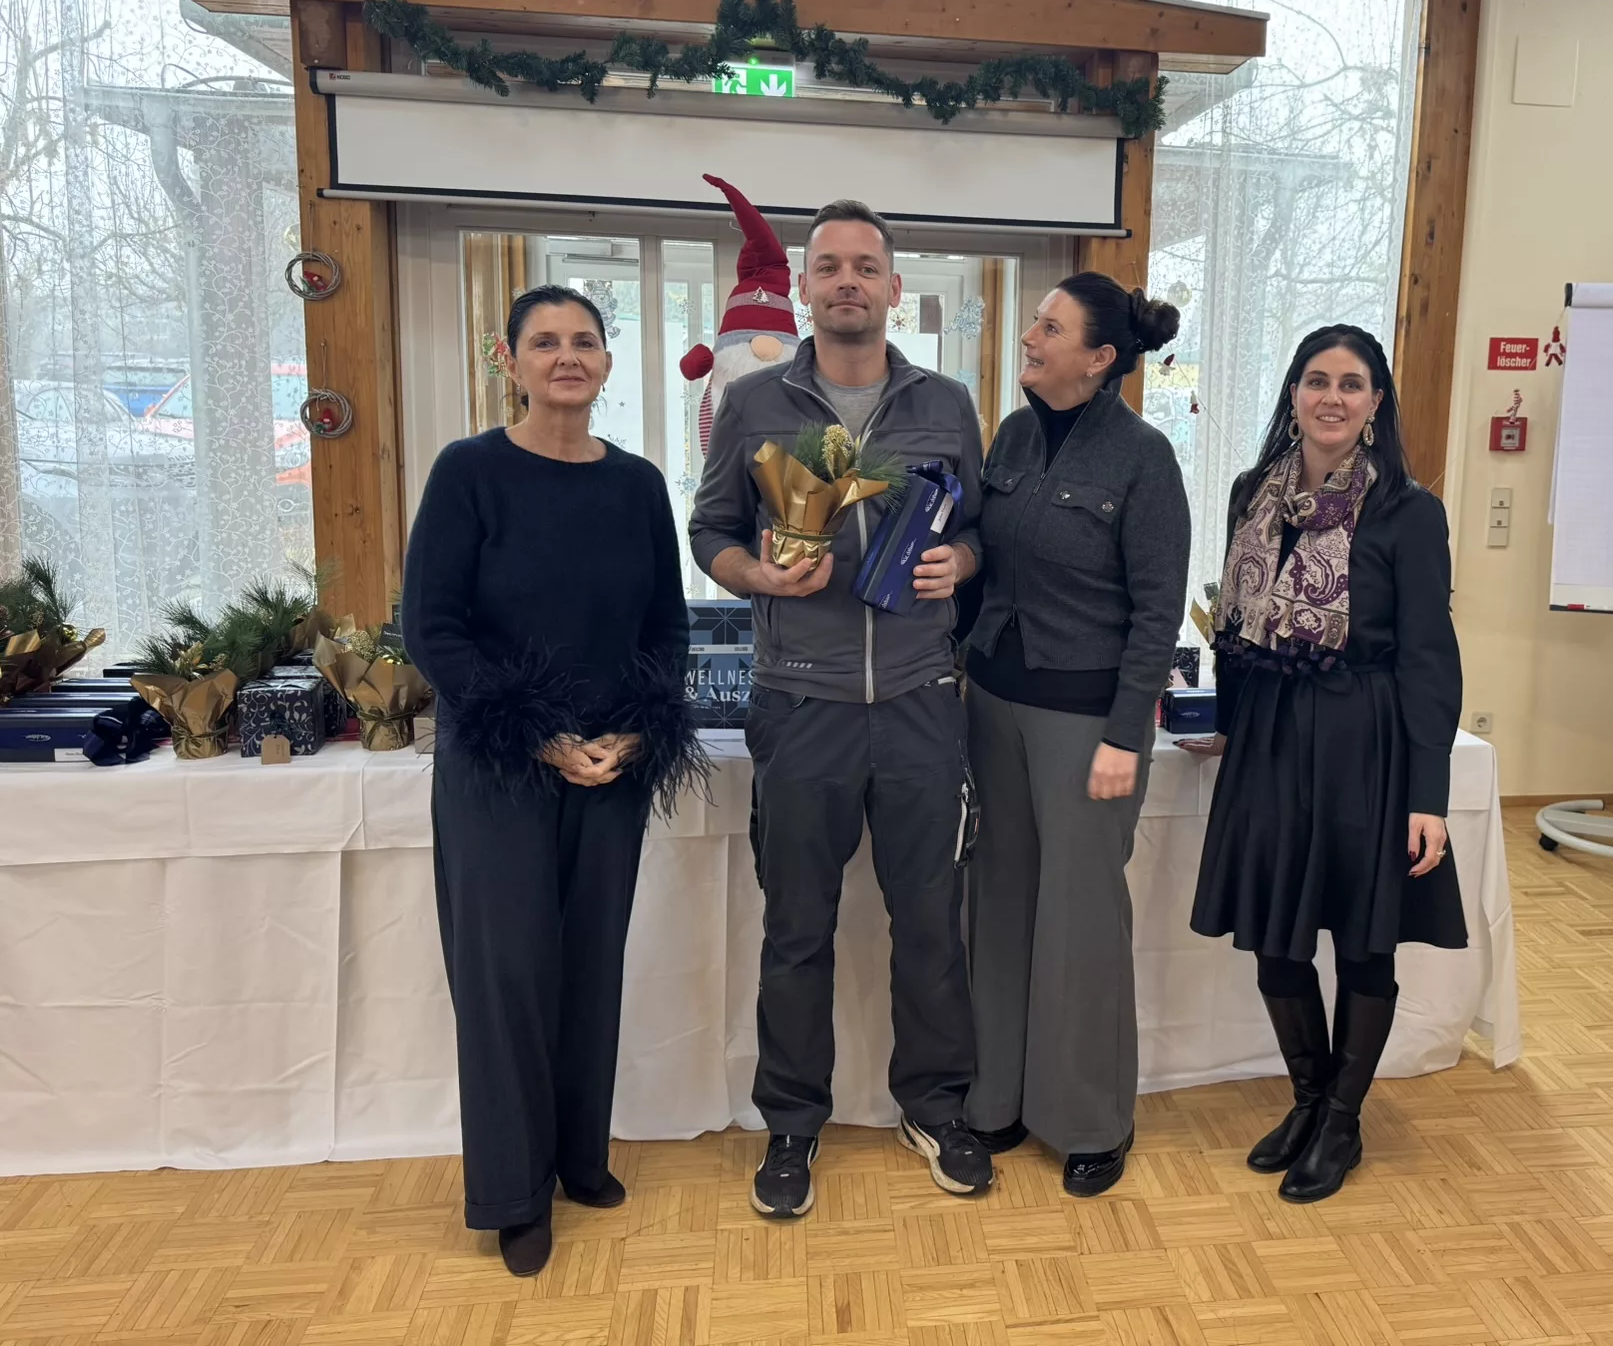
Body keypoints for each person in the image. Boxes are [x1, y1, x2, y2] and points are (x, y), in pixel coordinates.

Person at [688, 198, 992, 1220]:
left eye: (866, 266)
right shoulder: (754, 403)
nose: (848, 281)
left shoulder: (946, 402)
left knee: (931, 927)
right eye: (830, 267)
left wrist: (961, 563)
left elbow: (979, 532)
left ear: (894, 288)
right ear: (804, 288)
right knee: (796, 930)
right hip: (800, 704)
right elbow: (710, 531)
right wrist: (757, 577)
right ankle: (790, 1123)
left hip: (919, 703)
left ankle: (935, 1107)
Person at [401, 284, 705, 1275]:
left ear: (607, 363)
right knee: (508, 979)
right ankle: (512, 1192)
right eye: (544, 342)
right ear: (511, 360)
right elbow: (431, 627)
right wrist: (538, 735)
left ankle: (579, 1157)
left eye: (584, 341)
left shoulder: (638, 485)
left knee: (588, 966)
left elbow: (666, 627)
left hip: (610, 767)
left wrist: (633, 732)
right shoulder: (469, 473)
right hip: (500, 768)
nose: (566, 356)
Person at [1181, 324, 1464, 1205]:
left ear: (1375, 403)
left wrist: (1428, 794)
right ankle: (1308, 1100)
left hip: (1365, 740)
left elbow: (1430, 658)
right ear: (1294, 394)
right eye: (1316, 380)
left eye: (1350, 383)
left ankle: (1343, 1118)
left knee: (1364, 940)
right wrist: (1228, 724)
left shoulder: (1409, 511)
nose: (1331, 397)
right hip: (1269, 734)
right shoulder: (1251, 492)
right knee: (1275, 934)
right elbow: (1237, 626)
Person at [959, 274, 1190, 1197]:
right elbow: (985, 563)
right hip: (992, 704)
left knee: (1081, 921)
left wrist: (1127, 735)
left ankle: (1091, 1119)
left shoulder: (1145, 458)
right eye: (1035, 322)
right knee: (1000, 903)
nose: (1031, 336)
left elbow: (1158, 612)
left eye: (1049, 327)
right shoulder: (1013, 436)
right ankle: (998, 1098)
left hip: (1087, 722)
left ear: (1098, 358)